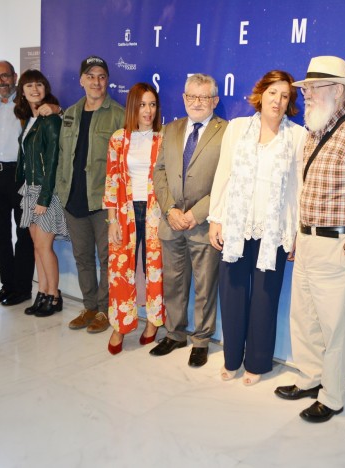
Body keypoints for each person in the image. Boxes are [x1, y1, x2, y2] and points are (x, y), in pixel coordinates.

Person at [273, 56, 345, 422]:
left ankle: (332, 397)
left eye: (314, 89)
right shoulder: (312, 133)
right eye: (306, 91)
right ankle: (309, 378)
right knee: (303, 317)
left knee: (333, 328)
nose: (307, 97)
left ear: (338, 90)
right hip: (307, 243)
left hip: (336, 246)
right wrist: (298, 238)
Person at [208, 70, 307, 385]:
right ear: (260, 94)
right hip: (237, 226)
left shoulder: (298, 136)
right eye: (273, 93)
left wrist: (294, 233)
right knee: (233, 293)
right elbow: (223, 174)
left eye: (285, 96)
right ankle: (232, 359)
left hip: (273, 231)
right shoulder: (237, 129)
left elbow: (297, 189)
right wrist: (217, 218)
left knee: (266, 298)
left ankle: (257, 363)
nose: (278, 101)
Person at [150, 74, 228, 367]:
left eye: (204, 97)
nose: (197, 103)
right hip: (171, 222)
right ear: (183, 98)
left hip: (204, 224)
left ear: (214, 101)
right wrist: (169, 209)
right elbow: (159, 172)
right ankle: (175, 333)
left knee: (205, 286)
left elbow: (226, 180)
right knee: (173, 282)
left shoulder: (226, 132)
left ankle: (201, 340)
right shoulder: (170, 129)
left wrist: (195, 214)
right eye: (191, 97)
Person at [56, 55, 125, 334]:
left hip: (102, 202)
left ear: (106, 81)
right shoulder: (70, 113)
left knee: (108, 258)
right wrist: (62, 192)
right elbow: (63, 155)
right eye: (91, 76)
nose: (97, 82)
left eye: (102, 76)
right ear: (82, 80)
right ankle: (89, 307)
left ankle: (105, 309)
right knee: (82, 257)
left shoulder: (119, 114)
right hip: (73, 199)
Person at [0, 60, 60, 307]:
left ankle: (23, 288)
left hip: (21, 177)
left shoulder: (37, 109)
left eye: (5, 76)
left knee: (25, 237)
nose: (0, 81)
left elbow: (57, 124)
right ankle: (8, 285)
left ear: (14, 77)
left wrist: (57, 108)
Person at [103, 83, 165, 355]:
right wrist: (112, 220)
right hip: (126, 211)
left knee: (154, 267)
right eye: (142, 105)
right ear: (132, 107)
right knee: (120, 269)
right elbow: (111, 179)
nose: (148, 110)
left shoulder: (163, 139)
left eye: (152, 104)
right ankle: (120, 324)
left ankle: (153, 321)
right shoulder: (119, 138)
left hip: (155, 211)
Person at [14, 69, 69, 317]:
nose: (34, 89)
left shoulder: (52, 120)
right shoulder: (31, 120)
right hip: (30, 189)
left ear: (45, 88)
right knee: (37, 246)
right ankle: (43, 292)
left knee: (45, 247)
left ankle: (54, 296)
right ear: (22, 92)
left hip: (45, 191)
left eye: (39, 85)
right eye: (29, 86)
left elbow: (54, 160)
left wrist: (44, 198)